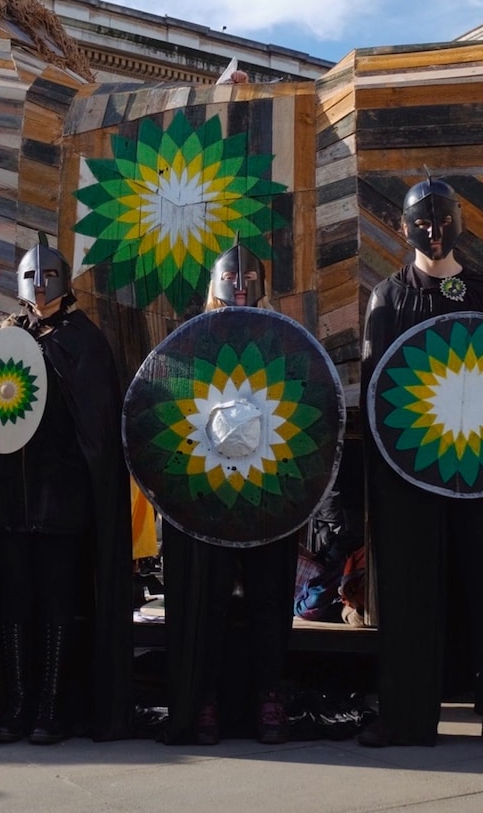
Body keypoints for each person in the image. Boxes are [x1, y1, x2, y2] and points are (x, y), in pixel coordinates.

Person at [357, 177, 483, 753]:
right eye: (423, 222)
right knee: (413, 590)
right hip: (411, 471)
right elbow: (377, 392)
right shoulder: (389, 297)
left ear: (458, 222)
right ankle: (407, 717)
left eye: (443, 220)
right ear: (405, 226)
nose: (434, 232)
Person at [0, 236, 132, 745]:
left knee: (56, 604)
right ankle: (14, 706)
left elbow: (97, 421)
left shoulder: (83, 339)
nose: (39, 286)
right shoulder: (4, 336)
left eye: (47, 276)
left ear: (63, 280)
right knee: (13, 603)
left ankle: (51, 708)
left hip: (61, 499)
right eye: (31, 277)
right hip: (12, 498)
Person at [161, 240, 296, 745]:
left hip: (268, 487)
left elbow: (304, 408)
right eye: (232, 278)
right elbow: (169, 411)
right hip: (205, 488)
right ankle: (204, 700)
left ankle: (268, 695)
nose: (240, 286)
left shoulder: (284, 342)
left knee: (268, 598)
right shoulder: (190, 342)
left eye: (250, 279)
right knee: (205, 600)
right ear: (216, 285)